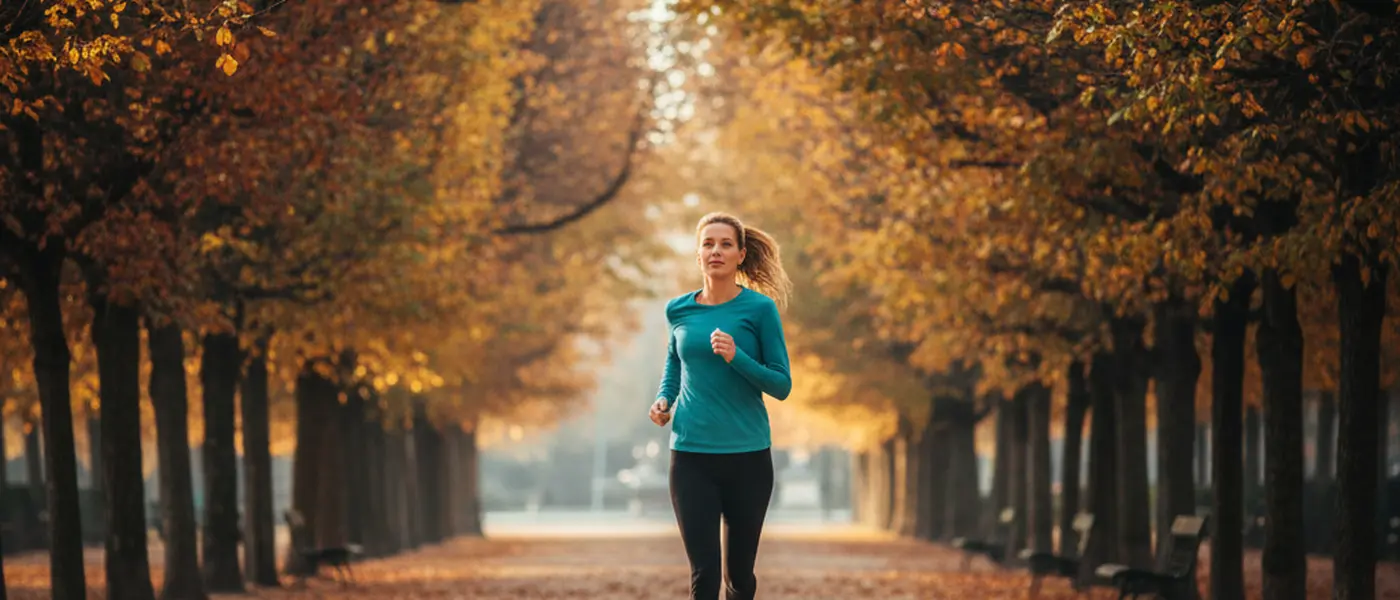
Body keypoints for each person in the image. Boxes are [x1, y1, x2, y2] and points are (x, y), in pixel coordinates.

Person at [649, 211, 793, 600]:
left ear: (740, 255)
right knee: (704, 576)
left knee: (740, 578)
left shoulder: (759, 310)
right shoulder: (678, 310)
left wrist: (737, 357)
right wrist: (664, 399)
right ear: (698, 255)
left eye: (726, 244)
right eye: (708, 244)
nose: (716, 250)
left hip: (748, 457)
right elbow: (675, 364)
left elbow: (781, 385)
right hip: (691, 456)